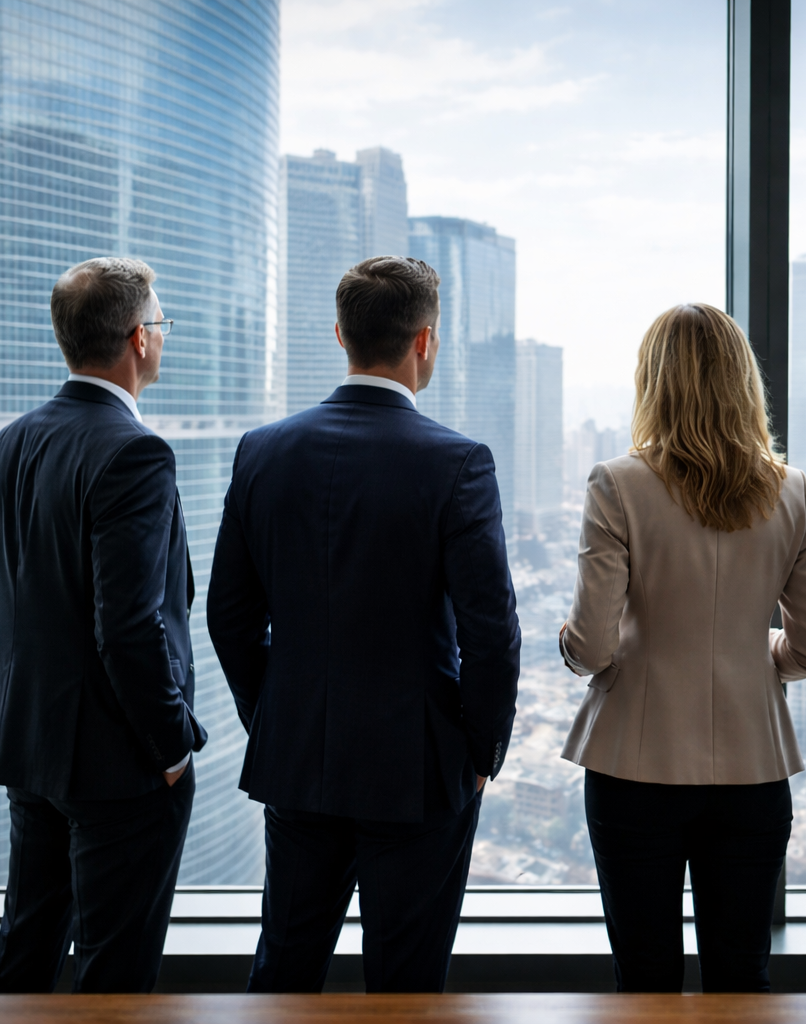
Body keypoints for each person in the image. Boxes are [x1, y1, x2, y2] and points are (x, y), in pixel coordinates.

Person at [206, 255, 520, 994]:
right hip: (419, 771)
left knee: (284, 970)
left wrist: (277, 712)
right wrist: (481, 751)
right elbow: (491, 633)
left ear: (341, 335)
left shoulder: (261, 450)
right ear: (425, 341)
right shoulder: (458, 463)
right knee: (406, 987)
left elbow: (228, 615)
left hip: (298, 760)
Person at [559, 303, 806, 993]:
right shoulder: (791, 489)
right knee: (741, 977)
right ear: (743, 382)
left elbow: (590, 648)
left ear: (652, 382)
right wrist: (750, 653)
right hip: (754, 768)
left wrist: (572, 643)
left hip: (633, 768)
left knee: (645, 981)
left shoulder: (616, 483)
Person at [0, 257, 206, 993]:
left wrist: (38, 695)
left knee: (25, 948)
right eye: (160, 322)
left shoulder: (6, 443)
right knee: (115, 971)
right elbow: (128, 627)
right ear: (138, 338)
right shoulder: (135, 452)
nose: (162, 336)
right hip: (120, 764)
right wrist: (170, 748)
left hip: (31, 746)